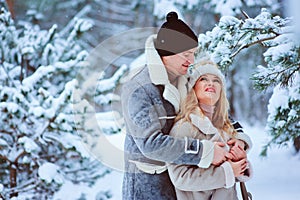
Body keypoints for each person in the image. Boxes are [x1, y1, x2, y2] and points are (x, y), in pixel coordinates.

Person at [121, 11, 250, 199]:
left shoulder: (187, 82)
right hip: (149, 188)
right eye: (187, 54)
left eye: (193, 54)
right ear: (169, 52)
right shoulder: (139, 88)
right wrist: (204, 152)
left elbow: (218, 115)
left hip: (185, 190)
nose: (191, 61)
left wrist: (238, 139)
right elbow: (150, 144)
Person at [167, 58, 253, 200]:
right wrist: (227, 172)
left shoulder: (226, 128)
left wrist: (240, 163)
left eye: (216, 80)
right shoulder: (184, 127)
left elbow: (234, 176)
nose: (210, 83)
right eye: (203, 79)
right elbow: (180, 178)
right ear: (193, 88)